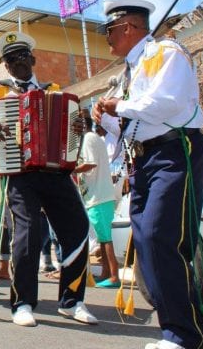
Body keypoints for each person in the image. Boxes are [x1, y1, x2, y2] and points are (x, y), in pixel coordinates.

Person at [93, 0, 203, 349]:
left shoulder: (165, 52)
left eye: (110, 32)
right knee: (147, 246)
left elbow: (169, 102)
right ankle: (179, 333)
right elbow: (133, 130)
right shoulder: (130, 71)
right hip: (146, 160)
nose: (107, 40)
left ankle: (185, 336)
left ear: (128, 27)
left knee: (163, 239)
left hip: (177, 152)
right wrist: (105, 120)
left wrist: (120, 105)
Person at [0, 31, 97, 327]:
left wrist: (74, 137)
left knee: (77, 227)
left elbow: (73, 127)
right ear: (5, 65)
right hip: (19, 172)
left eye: (23, 57)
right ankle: (23, 302)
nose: (18, 63)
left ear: (33, 60)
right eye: (11, 59)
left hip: (56, 171)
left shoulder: (54, 90)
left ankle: (72, 300)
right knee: (28, 234)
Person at [73, 116, 120, 288]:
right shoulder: (90, 139)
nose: (74, 129)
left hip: (99, 196)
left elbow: (89, 164)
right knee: (102, 238)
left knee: (106, 239)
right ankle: (106, 272)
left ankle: (114, 275)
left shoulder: (88, 138)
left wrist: (70, 169)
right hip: (96, 196)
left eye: (76, 125)